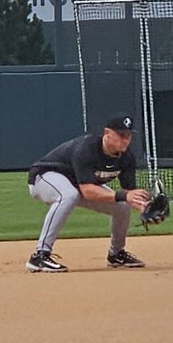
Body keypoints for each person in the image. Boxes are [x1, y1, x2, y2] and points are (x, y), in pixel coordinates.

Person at [25, 113, 151, 273]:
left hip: (77, 183)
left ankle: (116, 254)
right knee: (69, 195)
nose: (125, 140)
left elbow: (128, 194)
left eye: (128, 136)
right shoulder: (87, 148)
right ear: (107, 133)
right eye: (121, 135)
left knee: (122, 206)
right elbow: (88, 191)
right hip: (44, 177)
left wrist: (144, 207)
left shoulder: (126, 157)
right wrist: (125, 196)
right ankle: (40, 255)